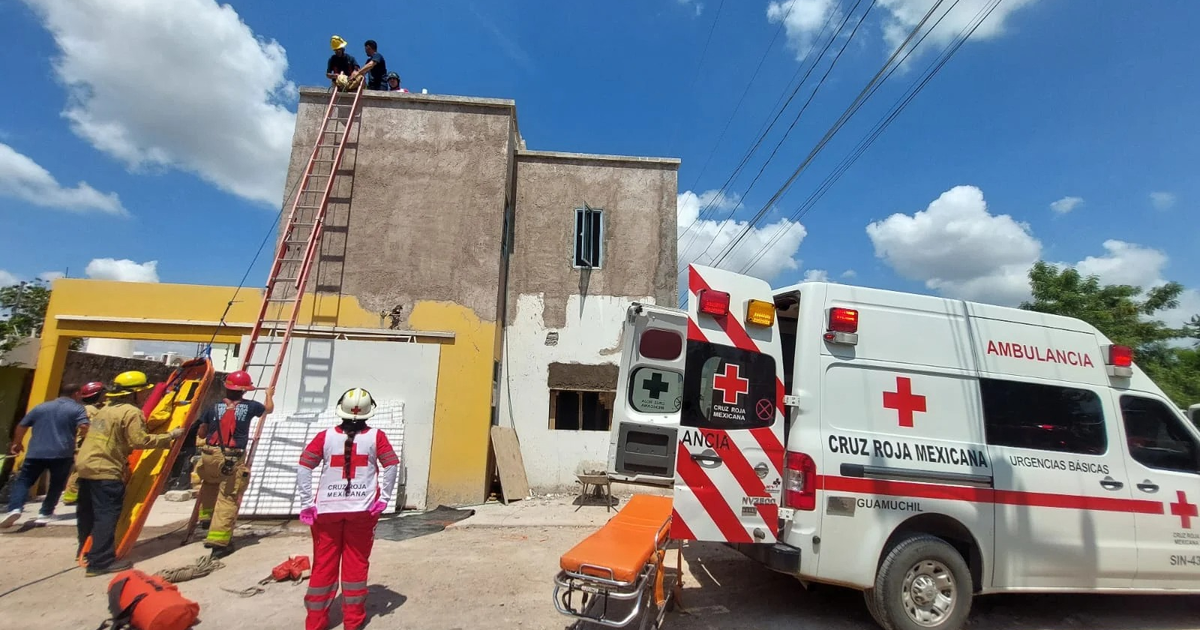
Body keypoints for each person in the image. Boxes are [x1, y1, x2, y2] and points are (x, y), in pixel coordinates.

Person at [296, 388, 399, 630]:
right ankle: (353, 621)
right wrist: (383, 498)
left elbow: (304, 466)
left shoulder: (325, 437)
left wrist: (306, 503)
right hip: (362, 511)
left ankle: (315, 622)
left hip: (326, 512)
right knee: (356, 563)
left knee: (323, 564)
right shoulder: (376, 437)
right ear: (368, 412)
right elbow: (392, 465)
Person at [75, 371, 183, 576]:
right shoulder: (131, 412)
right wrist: (169, 436)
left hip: (86, 465)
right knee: (107, 515)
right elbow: (139, 441)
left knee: (87, 513)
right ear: (133, 393)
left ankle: (86, 551)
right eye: (142, 392)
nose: (145, 396)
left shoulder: (104, 410)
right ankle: (100, 561)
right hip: (106, 469)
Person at [193, 370, 274, 556]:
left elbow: (202, 433)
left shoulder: (213, 407)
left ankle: (206, 519)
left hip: (209, 453)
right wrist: (269, 395)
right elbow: (268, 409)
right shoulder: (251, 406)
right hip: (231, 456)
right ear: (245, 391)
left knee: (210, 484)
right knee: (228, 496)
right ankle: (219, 542)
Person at [2, 382, 91, 528]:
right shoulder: (77, 408)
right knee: (56, 484)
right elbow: (84, 426)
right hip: (62, 453)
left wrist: (16, 443)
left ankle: (15, 508)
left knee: (24, 481)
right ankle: (45, 513)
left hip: (35, 452)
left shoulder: (41, 407)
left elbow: (22, 425)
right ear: (76, 394)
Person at [62, 381, 106, 506]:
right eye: (103, 393)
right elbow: (95, 428)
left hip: (85, 443)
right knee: (81, 470)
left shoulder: (90, 408)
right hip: (85, 444)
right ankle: (71, 495)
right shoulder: (90, 410)